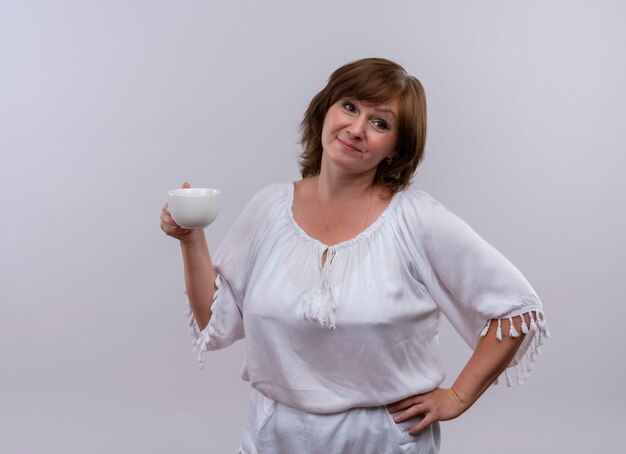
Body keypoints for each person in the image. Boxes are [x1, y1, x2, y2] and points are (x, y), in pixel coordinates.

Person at [160, 57, 549, 454]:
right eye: (349, 107)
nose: (357, 128)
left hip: (383, 439)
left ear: (396, 149)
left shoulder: (415, 220)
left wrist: (458, 397)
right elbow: (215, 318)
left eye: (380, 123)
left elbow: (516, 310)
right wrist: (190, 239)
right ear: (325, 110)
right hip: (275, 435)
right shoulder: (268, 209)